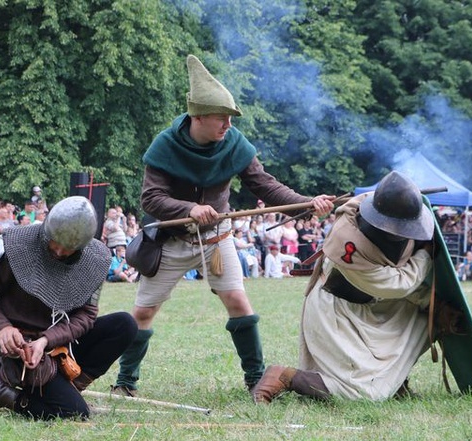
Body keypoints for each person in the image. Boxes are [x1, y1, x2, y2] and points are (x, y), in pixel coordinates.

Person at [110, 54, 333, 397]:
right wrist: (189, 208)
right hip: (170, 240)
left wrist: (308, 205)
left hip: (217, 238)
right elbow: (151, 199)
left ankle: (256, 379)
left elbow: (265, 185)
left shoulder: (234, 143)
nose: (227, 126)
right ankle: (125, 384)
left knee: (238, 302)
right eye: (221, 119)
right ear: (197, 117)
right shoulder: (164, 145)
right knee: (143, 311)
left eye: (230, 119)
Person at [252, 171, 437, 403]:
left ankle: (396, 381)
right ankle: (285, 377)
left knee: (421, 321)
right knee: (361, 393)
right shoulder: (350, 248)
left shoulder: (367, 202)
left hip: (372, 307)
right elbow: (400, 284)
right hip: (337, 310)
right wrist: (426, 255)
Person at [0, 196, 138, 420]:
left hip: (63, 342)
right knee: (75, 414)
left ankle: (71, 387)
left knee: (125, 324)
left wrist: (47, 339)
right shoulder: (12, 247)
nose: (58, 251)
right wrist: (2, 328)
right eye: (54, 242)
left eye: (68, 248)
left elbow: (87, 315)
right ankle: (3, 393)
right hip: (23, 349)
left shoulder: (95, 260)